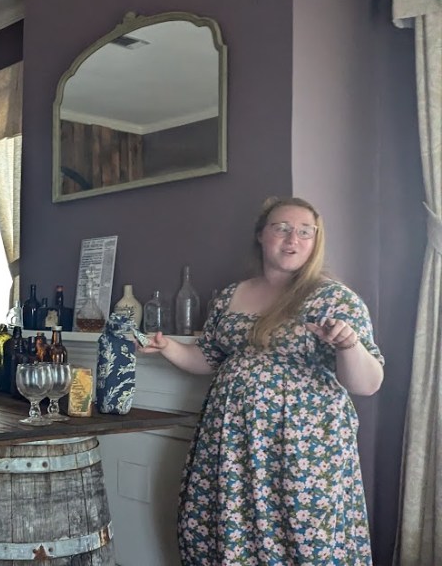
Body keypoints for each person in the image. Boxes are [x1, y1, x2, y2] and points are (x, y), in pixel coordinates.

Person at [138, 197, 384, 564]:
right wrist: (168, 347)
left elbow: (367, 383)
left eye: (305, 232)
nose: (292, 239)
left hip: (304, 449)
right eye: (281, 228)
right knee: (227, 528)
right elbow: (209, 357)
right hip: (233, 443)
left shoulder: (334, 299)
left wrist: (348, 344)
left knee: (305, 537)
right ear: (261, 235)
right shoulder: (231, 295)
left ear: (316, 241)